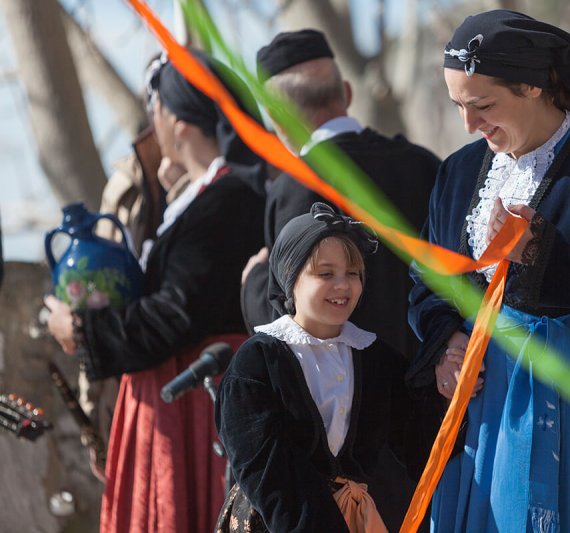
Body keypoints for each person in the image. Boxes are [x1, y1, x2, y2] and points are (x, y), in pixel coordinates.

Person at [406, 10, 570, 532]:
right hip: (486, 401)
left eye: (482, 105)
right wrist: (447, 342)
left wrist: (539, 250)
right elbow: (429, 279)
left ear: (532, 86)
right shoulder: (458, 171)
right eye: (458, 106)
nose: (469, 125)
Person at [44, 51, 267, 533]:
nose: (152, 121)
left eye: (157, 108)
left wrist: (80, 329)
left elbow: (172, 315)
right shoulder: (211, 196)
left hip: (191, 403)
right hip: (181, 397)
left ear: (180, 121)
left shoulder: (223, 202)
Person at [241, 29, 439, 360]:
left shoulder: (298, 186)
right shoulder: (423, 164)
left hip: (353, 396)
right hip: (441, 387)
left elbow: (290, 323)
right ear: (346, 94)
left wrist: (254, 283)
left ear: (277, 116)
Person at [215, 203, 410, 532]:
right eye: (325, 274)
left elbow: (421, 434)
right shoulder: (256, 365)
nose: (342, 285)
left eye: (352, 273)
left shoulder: (373, 355)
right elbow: (269, 476)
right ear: (291, 278)